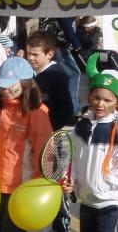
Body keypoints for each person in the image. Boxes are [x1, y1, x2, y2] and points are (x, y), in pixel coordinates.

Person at [0, 56, 53, 232]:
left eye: (9, 84)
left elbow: (44, 151)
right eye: (2, 84)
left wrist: (37, 186)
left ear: (25, 83)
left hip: (22, 186)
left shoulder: (37, 112)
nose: (3, 89)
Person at [62, 53, 118, 232]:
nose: (101, 103)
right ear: (89, 98)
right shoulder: (80, 127)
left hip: (110, 202)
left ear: (116, 103)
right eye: (97, 98)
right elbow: (73, 158)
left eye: (107, 100)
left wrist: (106, 181)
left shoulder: (115, 129)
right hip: (86, 201)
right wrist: (71, 179)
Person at [26, 31, 74, 131]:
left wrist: (49, 127)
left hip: (48, 136)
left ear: (49, 54)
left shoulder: (55, 76)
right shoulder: (31, 74)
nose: (30, 58)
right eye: (28, 53)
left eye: (35, 54)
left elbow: (66, 109)